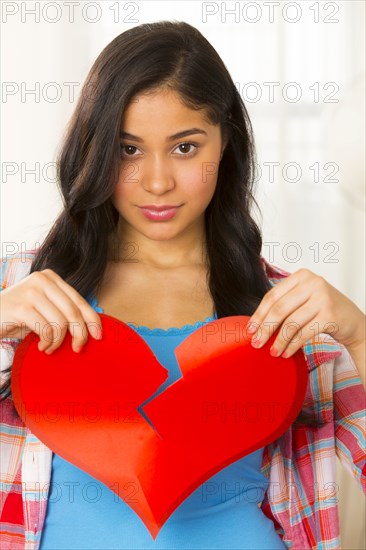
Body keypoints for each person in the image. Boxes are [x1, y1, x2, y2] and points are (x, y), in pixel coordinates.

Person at [0, 20, 365, 550]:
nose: (156, 181)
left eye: (185, 148)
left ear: (227, 143)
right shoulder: (22, 292)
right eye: (128, 150)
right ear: (95, 149)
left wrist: (357, 333)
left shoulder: (287, 312)